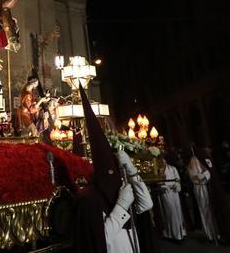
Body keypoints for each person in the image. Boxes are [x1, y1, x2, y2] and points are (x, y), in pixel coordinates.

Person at [72, 86, 152, 252]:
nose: (112, 175)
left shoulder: (121, 188)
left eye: (114, 170)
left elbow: (146, 204)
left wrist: (131, 170)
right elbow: (98, 242)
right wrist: (121, 208)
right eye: (108, 172)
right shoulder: (89, 200)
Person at [157, 158, 186, 242]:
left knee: (178, 211)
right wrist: (165, 187)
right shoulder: (159, 170)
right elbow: (158, 182)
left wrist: (177, 185)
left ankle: (181, 232)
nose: (163, 161)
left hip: (174, 192)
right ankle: (173, 234)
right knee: (171, 212)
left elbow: (177, 178)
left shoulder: (172, 168)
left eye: (164, 159)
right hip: (166, 193)